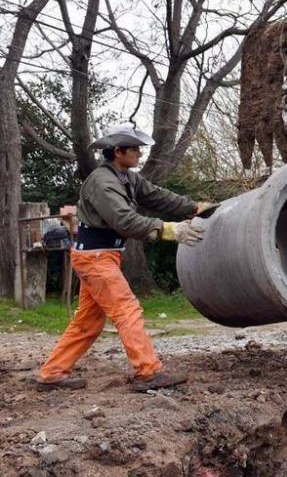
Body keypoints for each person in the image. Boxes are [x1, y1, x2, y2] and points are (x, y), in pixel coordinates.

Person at [36, 124, 211, 392]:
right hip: (95, 259)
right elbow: (124, 220)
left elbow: (156, 196)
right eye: (135, 150)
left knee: (88, 322)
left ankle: (52, 373)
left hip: (100, 256)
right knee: (127, 310)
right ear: (118, 152)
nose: (139, 155)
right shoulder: (102, 183)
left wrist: (193, 208)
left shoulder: (127, 177)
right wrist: (168, 229)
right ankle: (148, 372)